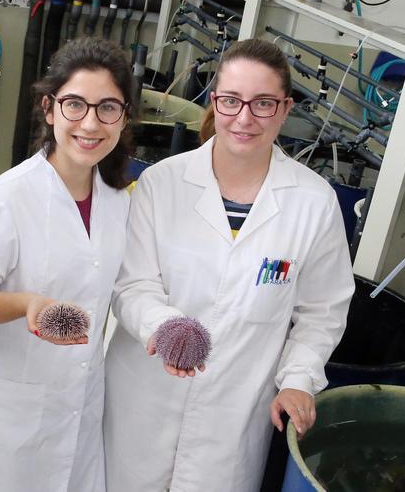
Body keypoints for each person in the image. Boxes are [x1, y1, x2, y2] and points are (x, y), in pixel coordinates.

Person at [103, 38, 353, 491]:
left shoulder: (314, 203)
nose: (244, 118)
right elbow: (131, 284)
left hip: (233, 414)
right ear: (215, 102)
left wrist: (299, 380)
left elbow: (322, 311)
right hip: (142, 397)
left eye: (263, 104)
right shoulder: (163, 183)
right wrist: (167, 329)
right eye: (232, 100)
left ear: (284, 109)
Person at [0, 37, 135, 492]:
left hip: (78, 414)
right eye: (75, 105)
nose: (90, 123)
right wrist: (27, 305)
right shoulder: (4, 199)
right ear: (49, 109)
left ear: (123, 118)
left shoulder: (117, 201)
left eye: (108, 108)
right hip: (5, 422)